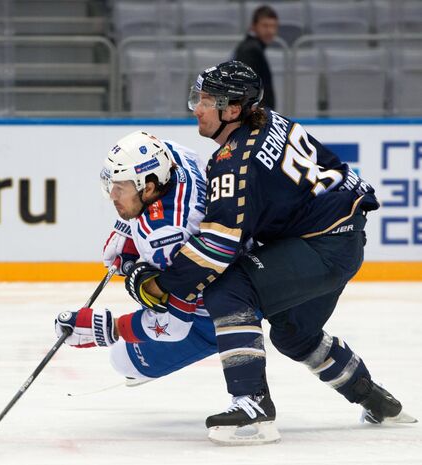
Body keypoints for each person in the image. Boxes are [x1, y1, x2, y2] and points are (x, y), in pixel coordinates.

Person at [124, 60, 416, 445]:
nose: (196, 107)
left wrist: (162, 284)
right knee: (294, 333)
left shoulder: (233, 158)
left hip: (322, 246)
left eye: (206, 100)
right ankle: (377, 400)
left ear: (232, 110)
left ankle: (252, 405)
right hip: (343, 239)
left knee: (227, 290)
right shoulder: (271, 121)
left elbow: (218, 245)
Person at [54, 130, 225, 386]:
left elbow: (175, 326)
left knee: (123, 361)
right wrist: (129, 231)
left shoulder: (165, 236)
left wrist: (112, 328)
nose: (113, 195)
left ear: (150, 187)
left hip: (218, 311)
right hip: (242, 260)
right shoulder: (174, 154)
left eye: (120, 188)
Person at [233, 5, 278, 109]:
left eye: (273, 26)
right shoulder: (250, 50)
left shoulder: (254, 47)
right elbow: (246, 87)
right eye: (265, 26)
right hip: (255, 116)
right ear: (253, 26)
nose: (270, 31)